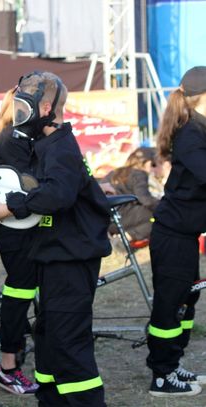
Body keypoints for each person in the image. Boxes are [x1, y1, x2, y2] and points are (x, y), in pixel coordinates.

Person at [0, 71, 111, 406]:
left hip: (72, 259)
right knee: (47, 337)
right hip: (53, 255)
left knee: (68, 344)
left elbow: (58, 194)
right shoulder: (43, 145)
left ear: (44, 108)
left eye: (24, 107)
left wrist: (11, 207)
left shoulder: (60, 147)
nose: (19, 114)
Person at [146, 66, 206, 397]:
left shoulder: (199, 127)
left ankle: (174, 361)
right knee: (169, 306)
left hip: (185, 234)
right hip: (172, 235)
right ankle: (161, 375)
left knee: (186, 301)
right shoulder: (191, 134)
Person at [0, 88, 38, 395]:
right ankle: (8, 368)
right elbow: (36, 186)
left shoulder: (13, 137)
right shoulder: (10, 141)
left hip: (16, 220)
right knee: (19, 291)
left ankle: (26, 345)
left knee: (30, 286)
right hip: (8, 224)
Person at [103, 147, 159, 241]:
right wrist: (164, 205)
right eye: (153, 164)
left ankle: (118, 237)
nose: (154, 168)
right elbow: (145, 200)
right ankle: (124, 239)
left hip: (106, 220)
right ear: (145, 162)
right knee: (155, 217)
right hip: (120, 218)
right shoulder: (139, 173)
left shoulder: (115, 172)